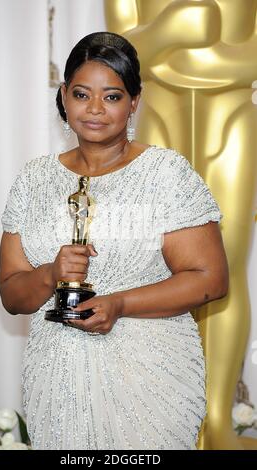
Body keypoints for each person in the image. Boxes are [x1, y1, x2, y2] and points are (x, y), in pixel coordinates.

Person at [0, 31, 229, 450]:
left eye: (112, 96)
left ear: (134, 101)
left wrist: (119, 304)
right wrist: (51, 273)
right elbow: (13, 295)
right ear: (64, 95)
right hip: (57, 375)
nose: (95, 110)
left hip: (151, 377)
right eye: (83, 94)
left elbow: (209, 278)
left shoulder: (165, 173)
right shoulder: (33, 179)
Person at [106, 0, 257, 450]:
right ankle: (164, 418)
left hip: (233, 117)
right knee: (155, 272)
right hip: (158, 116)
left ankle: (216, 418)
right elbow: (119, 52)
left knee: (224, 268)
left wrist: (193, 55)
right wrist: (171, 29)